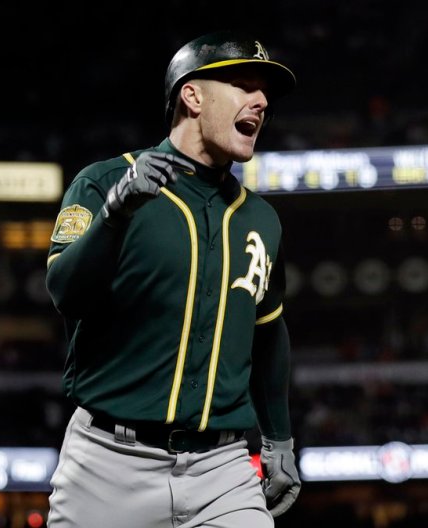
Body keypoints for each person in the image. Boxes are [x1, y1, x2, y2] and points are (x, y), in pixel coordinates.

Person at [45, 31, 302, 527]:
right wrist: (114, 215)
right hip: (108, 464)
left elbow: (269, 333)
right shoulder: (104, 182)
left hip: (223, 469)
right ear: (192, 95)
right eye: (244, 85)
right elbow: (65, 294)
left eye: (265, 93)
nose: (262, 101)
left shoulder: (261, 219)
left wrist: (279, 438)